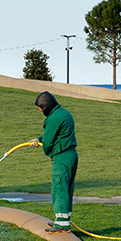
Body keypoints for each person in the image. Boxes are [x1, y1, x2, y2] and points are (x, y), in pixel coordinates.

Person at [29, 91, 77, 233]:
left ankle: (62, 223)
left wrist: (47, 151)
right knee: (67, 188)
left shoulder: (53, 118)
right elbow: (55, 134)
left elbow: (49, 141)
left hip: (61, 156)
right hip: (71, 154)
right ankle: (64, 219)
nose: (39, 110)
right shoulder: (64, 113)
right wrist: (39, 139)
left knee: (59, 187)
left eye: (41, 107)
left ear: (46, 105)